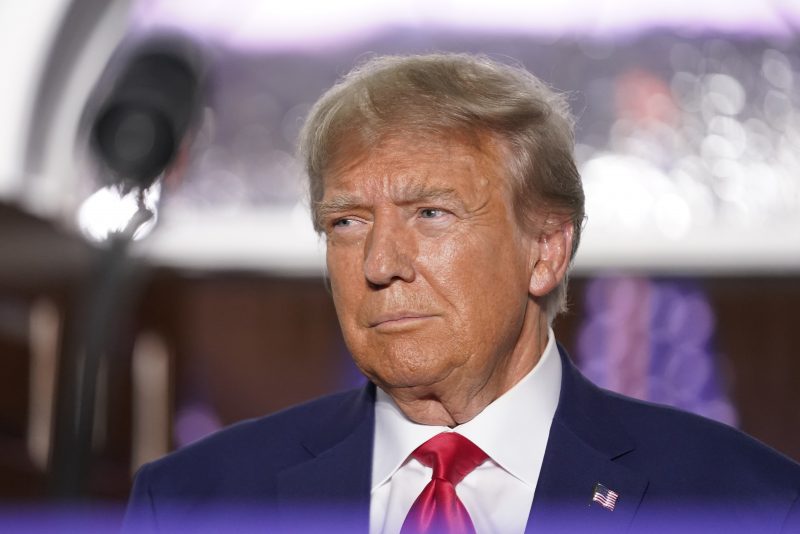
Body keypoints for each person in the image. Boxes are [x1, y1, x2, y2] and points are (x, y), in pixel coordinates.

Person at [123, 53, 800, 533]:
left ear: (546, 250)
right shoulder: (192, 504)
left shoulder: (747, 505)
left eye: (431, 214)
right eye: (347, 222)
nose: (380, 263)